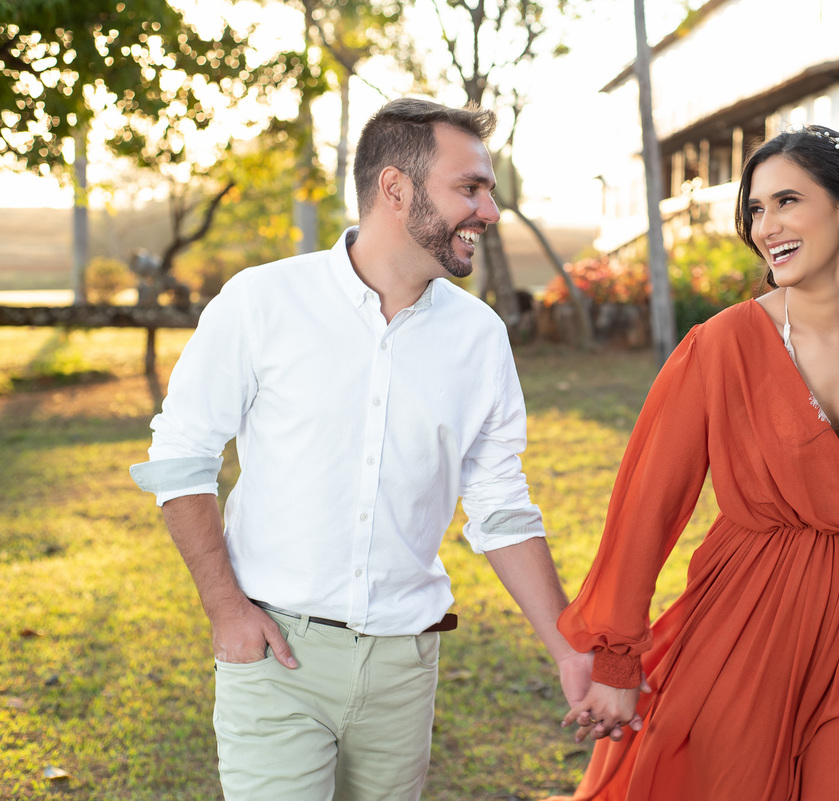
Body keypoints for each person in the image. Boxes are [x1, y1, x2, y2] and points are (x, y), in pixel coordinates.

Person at [130, 97, 595, 801]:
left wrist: (568, 648)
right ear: (395, 188)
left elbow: (500, 508)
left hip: (405, 668)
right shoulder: (262, 302)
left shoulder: (480, 338)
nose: (490, 212)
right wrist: (226, 607)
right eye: (469, 188)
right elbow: (181, 455)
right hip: (276, 656)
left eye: (488, 192)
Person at [548, 125, 839, 801]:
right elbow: (648, 507)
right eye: (756, 210)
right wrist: (617, 660)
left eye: (787, 201)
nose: (765, 226)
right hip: (748, 609)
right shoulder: (721, 345)